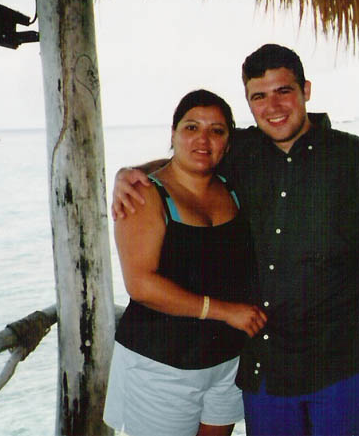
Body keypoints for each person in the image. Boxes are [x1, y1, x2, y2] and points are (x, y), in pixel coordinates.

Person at [113, 45, 359, 436]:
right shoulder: (240, 152)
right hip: (268, 362)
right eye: (258, 96)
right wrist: (128, 174)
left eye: (284, 90)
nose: (273, 106)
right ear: (248, 102)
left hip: (348, 359)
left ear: (306, 90)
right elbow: (188, 164)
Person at [103, 89, 267, 436]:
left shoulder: (232, 187)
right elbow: (141, 285)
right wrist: (227, 312)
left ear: (228, 141)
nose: (203, 140)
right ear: (173, 134)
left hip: (225, 361)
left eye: (216, 130)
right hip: (162, 365)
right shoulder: (145, 193)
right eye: (191, 128)